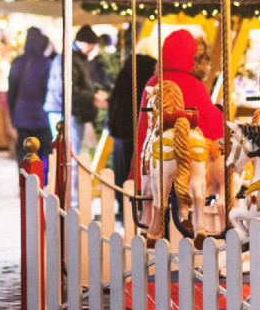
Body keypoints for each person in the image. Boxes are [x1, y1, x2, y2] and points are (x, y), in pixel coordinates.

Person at [134, 29, 222, 178]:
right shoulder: (194, 86)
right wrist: (220, 112)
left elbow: (144, 126)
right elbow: (210, 122)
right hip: (184, 164)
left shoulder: (153, 81)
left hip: (151, 160)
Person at [43, 25, 107, 155]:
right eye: (91, 44)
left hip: (70, 111)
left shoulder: (77, 58)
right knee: (70, 155)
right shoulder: (68, 59)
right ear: (82, 42)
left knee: (71, 154)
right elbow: (67, 90)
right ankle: (70, 177)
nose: (93, 48)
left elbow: (81, 83)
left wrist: (95, 91)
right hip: (65, 113)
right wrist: (93, 97)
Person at [107, 35, 156, 188]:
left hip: (121, 125)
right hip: (140, 125)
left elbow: (115, 97)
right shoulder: (153, 72)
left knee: (121, 169)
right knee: (138, 168)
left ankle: (122, 205)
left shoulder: (127, 68)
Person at [7, 27, 54, 178]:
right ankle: (44, 180)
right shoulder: (47, 63)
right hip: (42, 115)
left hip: (22, 115)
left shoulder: (17, 62)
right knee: (45, 150)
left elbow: (11, 92)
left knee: (23, 151)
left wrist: (13, 117)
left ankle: (25, 182)